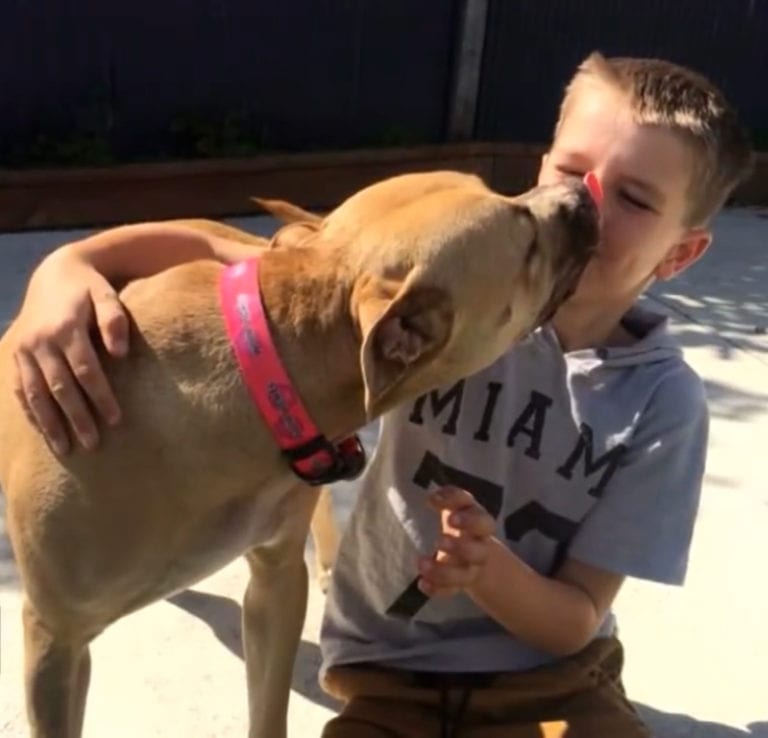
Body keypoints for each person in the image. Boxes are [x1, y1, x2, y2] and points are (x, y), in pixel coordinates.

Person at [8, 52, 753, 737]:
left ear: (682, 252)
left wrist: (489, 571)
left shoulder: (648, 398)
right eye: (569, 171)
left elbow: (579, 618)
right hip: (392, 670)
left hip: (555, 676)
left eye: (633, 198)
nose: (580, 202)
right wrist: (66, 266)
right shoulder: (450, 299)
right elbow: (272, 261)